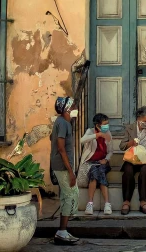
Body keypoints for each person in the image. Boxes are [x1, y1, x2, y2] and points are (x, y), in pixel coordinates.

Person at [50, 97, 79, 245]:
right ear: (67, 108)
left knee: (70, 195)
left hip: (62, 166)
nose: (75, 108)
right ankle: (61, 232)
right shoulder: (63, 124)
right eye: (73, 105)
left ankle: (63, 230)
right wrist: (70, 171)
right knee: (69, 195)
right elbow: (61, 148)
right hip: (62, 167)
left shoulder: (63, 123)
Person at [80, 113, 113, 216]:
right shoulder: (90, 131)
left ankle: (102, 203)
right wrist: (97, 135)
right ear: (97, 125)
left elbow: (111, 151)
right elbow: (82, 140)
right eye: (104, 124)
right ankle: (96, 203)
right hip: (91, 162)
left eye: (107, 124)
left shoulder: (108, 133)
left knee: (100, 171)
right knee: (95, 172)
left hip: (103, 162)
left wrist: (106, 160)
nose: (106, 126)